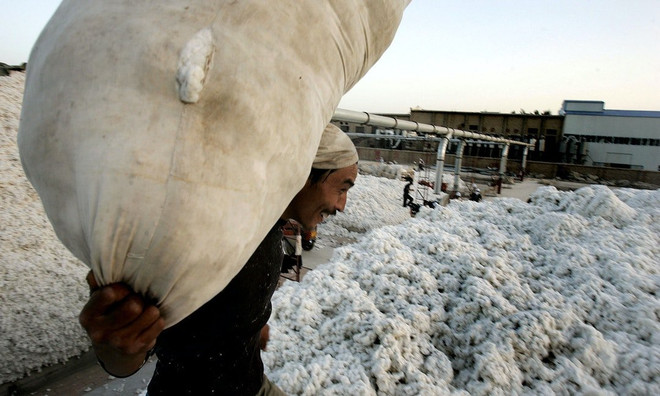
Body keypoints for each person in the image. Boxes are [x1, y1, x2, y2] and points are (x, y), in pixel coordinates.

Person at [78, 125, 359, 395]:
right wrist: (116, 348)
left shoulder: (270, 226)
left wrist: (251, 325)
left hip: (251, 385)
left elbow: (233, 299)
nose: (342, 205)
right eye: (342, 188)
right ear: (303, 172)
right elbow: (126, 355)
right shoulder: (212, 236)